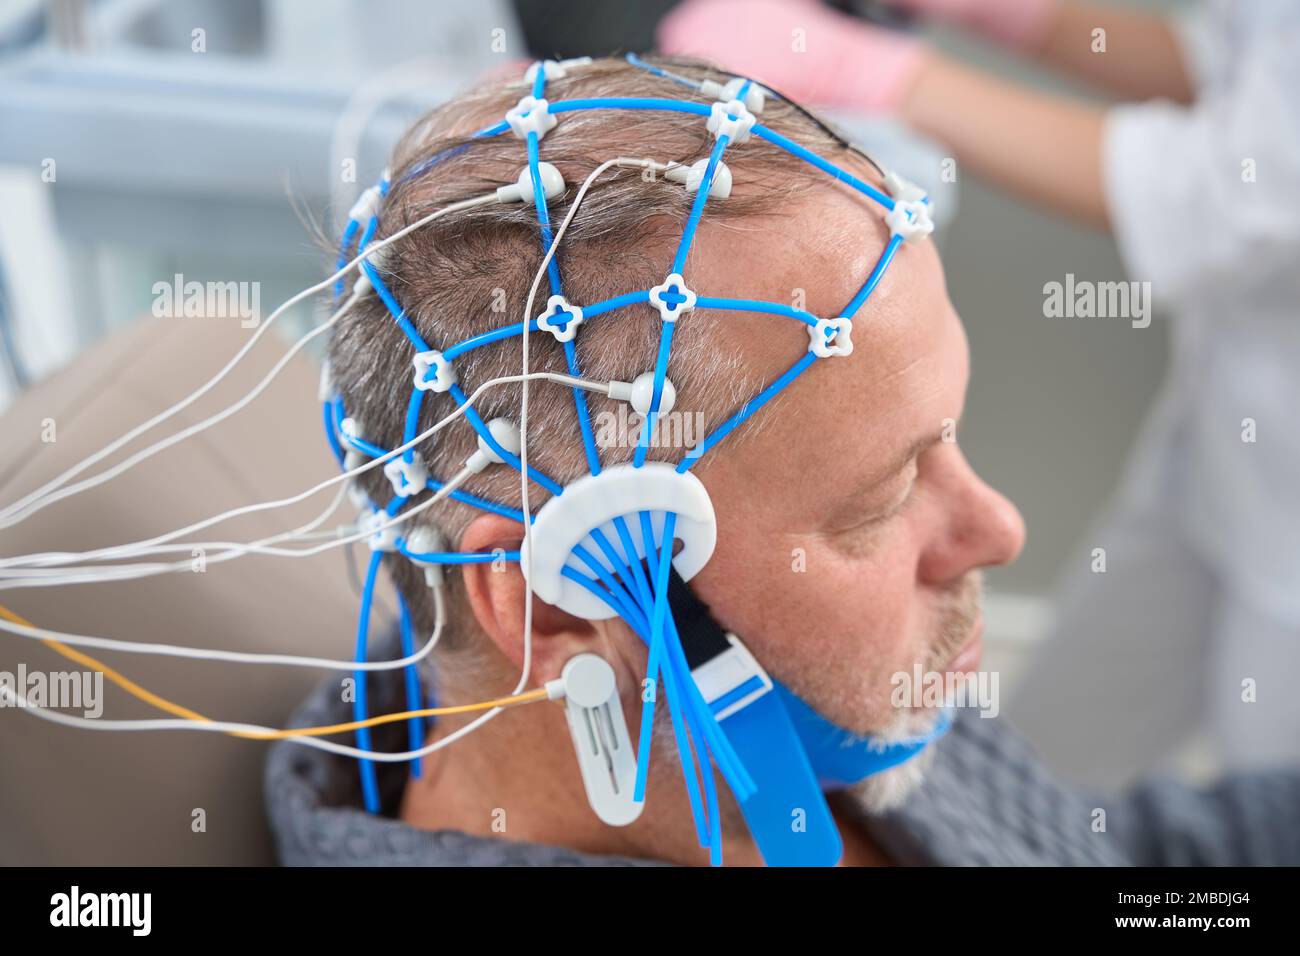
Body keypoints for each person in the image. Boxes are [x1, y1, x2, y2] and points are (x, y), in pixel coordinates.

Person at [265, 56, 1300, 866]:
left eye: (948, 441)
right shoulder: (808, 690)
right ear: (562, 609)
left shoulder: (820, 712)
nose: (996, 527)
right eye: (882, 497)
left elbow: (1091, 846)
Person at [659, 0, 1300, 785]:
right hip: (1232, 436)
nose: (999, 530)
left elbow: (1242, 193)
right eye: (887, 487)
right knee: (1045, 757)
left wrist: (880, 75)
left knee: (1268, 803)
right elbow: (1243, 70)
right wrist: (1020, 18)